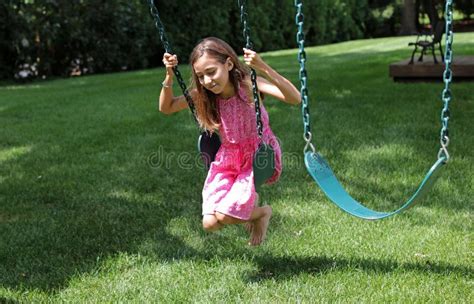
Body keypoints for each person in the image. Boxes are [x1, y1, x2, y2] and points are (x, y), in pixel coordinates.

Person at [159, 37, 300, 246]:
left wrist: (262, 67)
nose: (207, 81)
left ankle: (262, 213)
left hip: (257, 156)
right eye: (201, 76)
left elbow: (294, 98)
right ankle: (251, 211)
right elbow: (167, 107)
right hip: (227, 159)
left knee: (226, 215)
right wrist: (169, 76)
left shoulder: (248, 84)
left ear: (229, 64)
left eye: (211, 72)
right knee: (209, 223)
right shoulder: (205, 95)